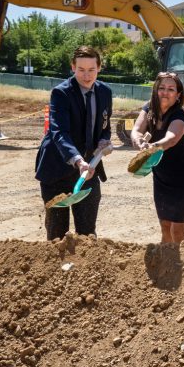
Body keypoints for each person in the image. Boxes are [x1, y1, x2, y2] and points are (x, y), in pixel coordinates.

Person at [35, 45, 113, 240]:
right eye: (81, 70)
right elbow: (59, 132)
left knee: (87, 234)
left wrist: (104, 140)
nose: (86, 76)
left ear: (99, 68)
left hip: (88, 171)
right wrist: (78, 160)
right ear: (72, 67)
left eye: (91, 70)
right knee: (57, 235)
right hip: (57, 170)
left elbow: (105, 126)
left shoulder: (105, 92)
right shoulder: (61, 93)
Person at [130, 72, 184, 243]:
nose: (165, 92)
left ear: (178, 95)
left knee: (178, 233)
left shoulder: (179, 115)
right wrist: (138, 140)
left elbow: (171, 139)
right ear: (155, 90)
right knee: (165, 228)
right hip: (162, 179)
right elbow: (136, 131)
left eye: (171, 89)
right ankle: (167, 260)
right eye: (162, 88)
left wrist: (153, 147)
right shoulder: (149, 109)